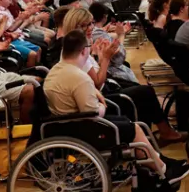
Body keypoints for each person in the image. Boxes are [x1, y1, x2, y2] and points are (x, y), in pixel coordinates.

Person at [44, 30, 189, 184]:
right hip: (82, 128)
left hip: (66, 125)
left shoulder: (55, 71)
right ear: (84, 50)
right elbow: (93, 113)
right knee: (133, 128)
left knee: (131, 125)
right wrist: (102, 105)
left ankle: (161, 163)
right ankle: (162, 169)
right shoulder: (79, 77)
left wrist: (94, 93)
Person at [59, 8, 182, 142]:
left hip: (102, 91)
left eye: (91, 23)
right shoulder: (77, 50)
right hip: (101, 99)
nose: (90, 28)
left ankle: (150, 136)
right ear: (75, 26)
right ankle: (162, 133)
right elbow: (97, 82)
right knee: (145, 92)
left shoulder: (78, 45)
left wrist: (98, 56)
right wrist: (105, 58)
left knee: (139, 89)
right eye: (85, 25)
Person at [87, 3, 137, 86]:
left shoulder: (95, 33)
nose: (91, 28)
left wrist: (119, 33)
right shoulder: (95, 33)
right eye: (89, 24)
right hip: (110, 74)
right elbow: (119, 57)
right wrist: (121, 35)